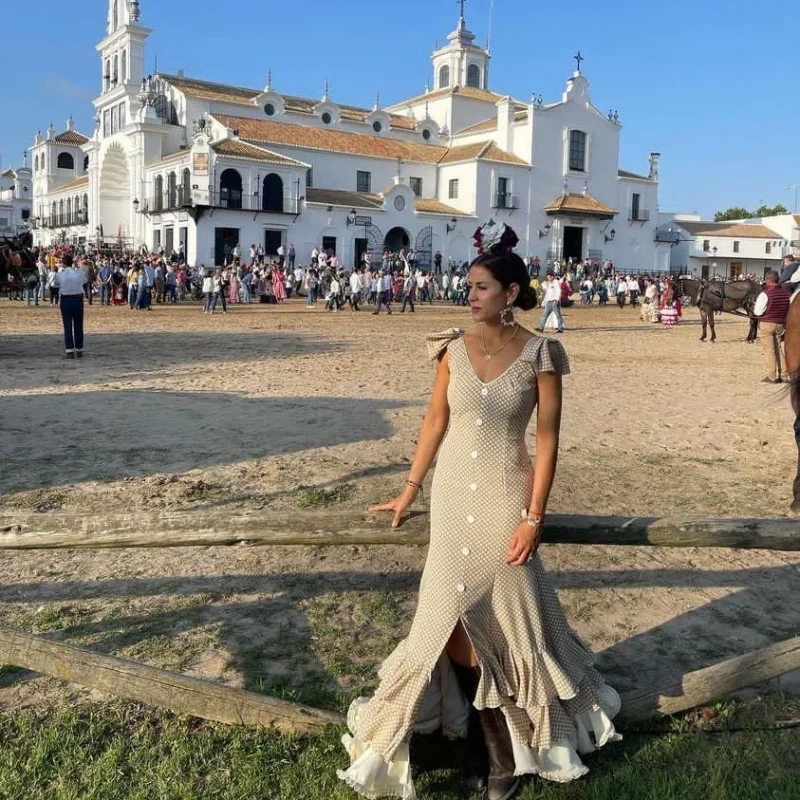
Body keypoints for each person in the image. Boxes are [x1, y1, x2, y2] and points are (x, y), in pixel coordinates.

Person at [338, 226, 620, 800]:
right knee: (445, 621)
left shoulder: (541, 352)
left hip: (505, 497)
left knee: (503, 619)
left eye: (482, 287)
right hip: (452, 497)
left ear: (510, 293)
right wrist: (410, 488)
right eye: (469, 286)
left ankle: (499, 751)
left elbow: (548, 438)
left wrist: (533, 516)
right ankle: (488, 746)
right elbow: (435, 420)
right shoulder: (451, 348)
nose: (470, 295)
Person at [754, 270, 791, 383]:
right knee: (779, 349)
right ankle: (784, 375)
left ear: (768, 280)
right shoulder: (785, 293)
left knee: (769, 351)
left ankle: (771, 376)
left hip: (767, 323)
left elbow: (758, 312)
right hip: (780, 324)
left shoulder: (765, 293)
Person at [57, 254, 86, 359]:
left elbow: (54, 284)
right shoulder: (80, 273)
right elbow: (85, 281)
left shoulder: (60, 274)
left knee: (67, 326)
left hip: (66, 299)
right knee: (79, 325)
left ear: (63, 263)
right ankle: (79, 349)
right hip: (78, 299)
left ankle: (69, 350)